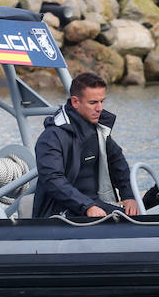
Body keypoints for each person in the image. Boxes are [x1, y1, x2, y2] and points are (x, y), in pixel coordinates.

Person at [34, 71, 139, 218]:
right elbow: (53, 180)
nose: (100, 108)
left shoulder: (99, 130)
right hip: (57, 212)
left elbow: (118, 163)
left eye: (102, 101)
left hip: (94, 205)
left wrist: (129, 196)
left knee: (133, 215)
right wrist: (87, 206)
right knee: (123, 222)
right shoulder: (51, 137)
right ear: (75, 102)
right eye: (93, 103)